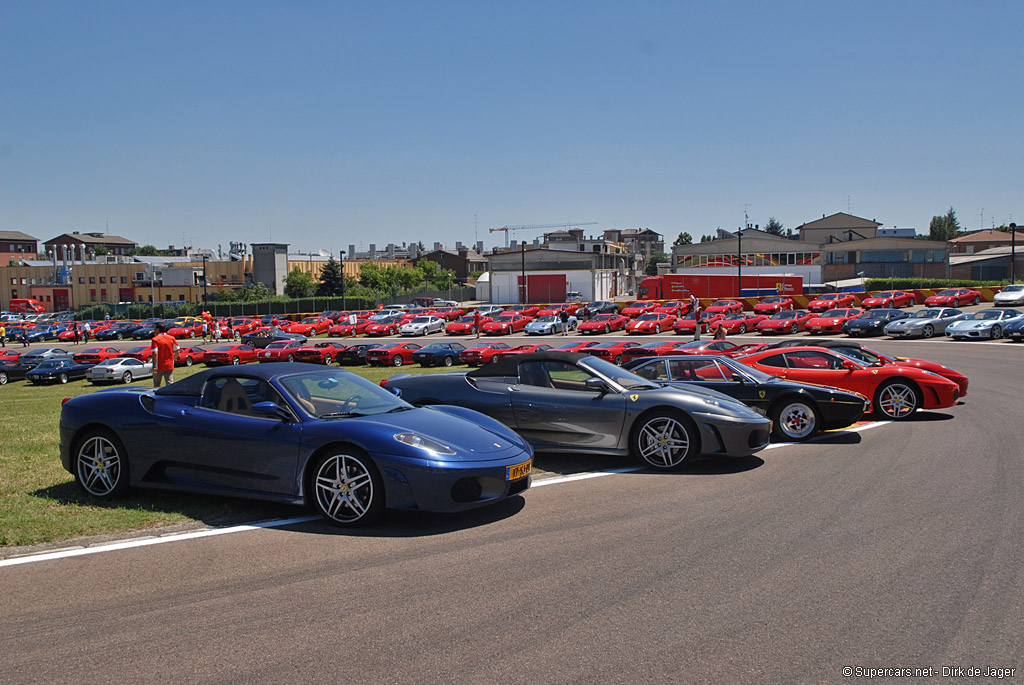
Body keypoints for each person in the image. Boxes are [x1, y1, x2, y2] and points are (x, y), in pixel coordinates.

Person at [151, 322, 179, 387]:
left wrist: (154, 366)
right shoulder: (171, 338)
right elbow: (177, 350)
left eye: (155, 328)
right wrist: (174, 358)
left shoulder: (155, 339)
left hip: (159, 366)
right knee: (170, 384)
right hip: (169, 365)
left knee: (157, 384)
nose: (154, 330)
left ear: (158, 329)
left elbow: (155, 353)